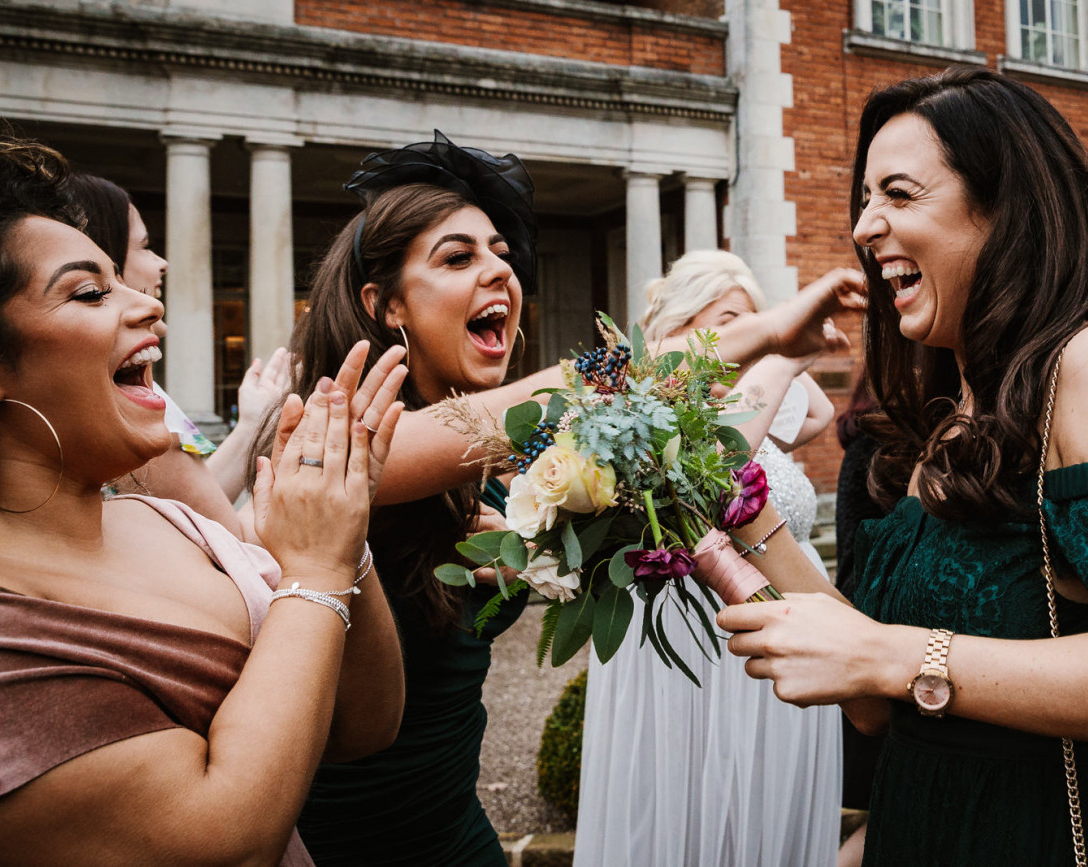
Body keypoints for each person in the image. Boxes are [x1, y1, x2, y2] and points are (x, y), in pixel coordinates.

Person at [712, 67, 1088, 865]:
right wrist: (746, 517)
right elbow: (875, 702)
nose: (866, 227)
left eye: (898, 195)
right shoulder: (948, 424)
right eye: (865, 200)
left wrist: (897, 656)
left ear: (1005, 209)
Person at [268, 133, 863, 866]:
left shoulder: (492, 469)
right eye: (459, 257)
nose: (500, 271)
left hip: (452, 827)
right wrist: (769, 332)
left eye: (500, 253)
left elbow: (697, 454)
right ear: (384, 303)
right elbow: (586, 396)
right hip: (349, 843)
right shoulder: (340, 441)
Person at [0, 133, 408, 863]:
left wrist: (343, 534)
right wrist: (313, 569)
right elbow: (224, 841)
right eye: (88, 291)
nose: (152, 309)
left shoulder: (170, 521)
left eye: (122, 279)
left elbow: (361, 724)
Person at [575, 249, 842, 867]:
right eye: (727, 322)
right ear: (676, 332)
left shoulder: (755, 403)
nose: (747, 339)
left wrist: (772, 343)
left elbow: (822, 413)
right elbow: (711, 473)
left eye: (752, 322)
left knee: (771, 813)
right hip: (702, 640)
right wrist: (769, 351)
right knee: (697, 814)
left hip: (786, 631)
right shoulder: (645, 412)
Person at [65, 173, 289, 538]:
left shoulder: (124, 378)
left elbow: (190, 509)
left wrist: (252, 423)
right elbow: (222, 538)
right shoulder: (116, 394)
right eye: (144, 247)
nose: (162, 263)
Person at [832, 371, 886, 867]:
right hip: (875, 640)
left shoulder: (865, 442)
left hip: (870, 638)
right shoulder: (875, 445)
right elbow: (857, 560)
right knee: (889, 825)